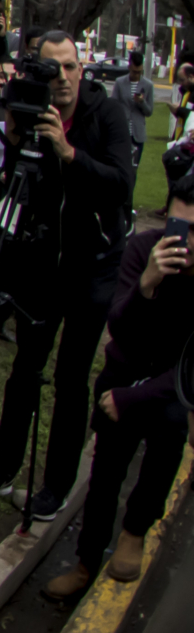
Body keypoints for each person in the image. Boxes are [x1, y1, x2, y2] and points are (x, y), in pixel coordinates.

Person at [0, 31, 138, 516]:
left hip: (93, 266)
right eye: (51, 68)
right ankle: (4, 466)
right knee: (24, 369)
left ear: (82, 69)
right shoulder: (32, 110)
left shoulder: (107, 114)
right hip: (41, 263)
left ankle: (56, 485)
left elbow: (122, 185)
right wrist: (17, 138)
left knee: (71, 378)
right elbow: (16, 180)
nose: (62, 77)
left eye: (70, 67)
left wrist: (69, 152)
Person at [40, 164, 194, 601]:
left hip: (168, 387)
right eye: (177, 226)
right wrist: (147, 284)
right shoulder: (144, 249)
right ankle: (86, 560)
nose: (183, 241)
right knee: (105, 470)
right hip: (124, 372)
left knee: (170, 431)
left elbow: (190, 369)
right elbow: (119, 328)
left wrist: (133, 397)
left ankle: (134, 533)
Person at [119, 54, 156, 166]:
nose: (137, 75)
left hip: (137, 134)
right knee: (120, 165)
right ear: (129, 67)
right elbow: (113, 104)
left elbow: (149, 112)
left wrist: (141, 102)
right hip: (122, 132)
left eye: (139, 72)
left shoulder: (148, 85)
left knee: (134, 167)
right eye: (134, 72)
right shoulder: (119, 82)